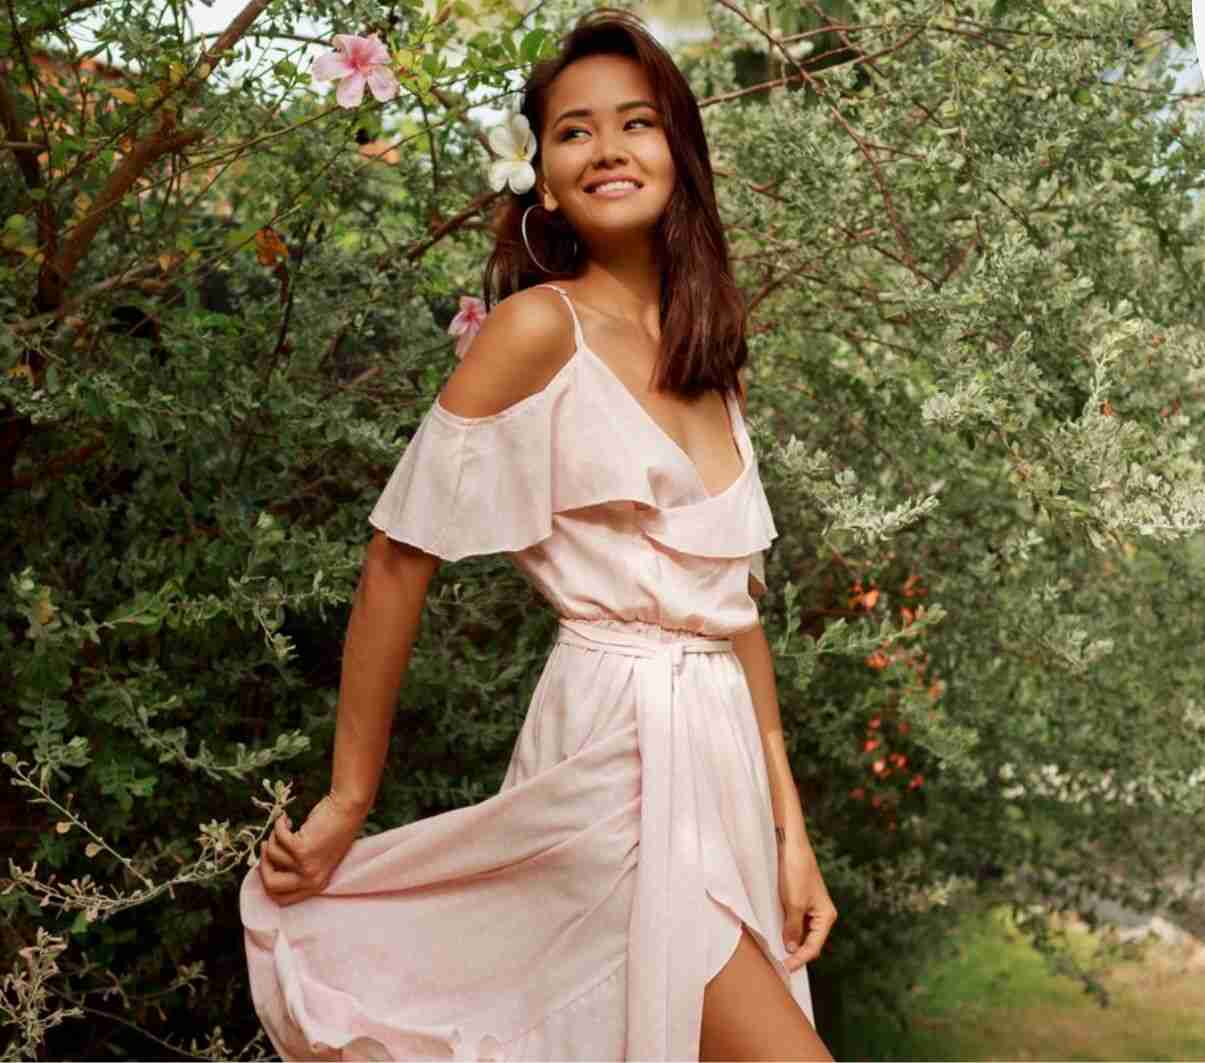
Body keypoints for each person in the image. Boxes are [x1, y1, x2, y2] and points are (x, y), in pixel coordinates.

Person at [238, 9, 835, 1060]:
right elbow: (396, 556)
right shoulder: (533, 331)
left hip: (722, 762)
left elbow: (733, 616)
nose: (608, 147)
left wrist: (792, 837)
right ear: (544, 181)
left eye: (637, 122)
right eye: (573, 131)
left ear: (679, 154)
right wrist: (348, 795)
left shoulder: (712, 355)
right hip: (616, 755)